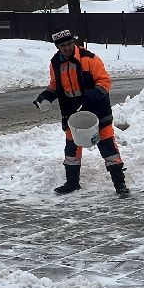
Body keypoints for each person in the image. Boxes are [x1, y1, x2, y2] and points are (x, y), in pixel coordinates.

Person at [34, 29, 130, 197]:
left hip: (98, 112)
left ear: (73, 42)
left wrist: (90, 97)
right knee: (71, 150)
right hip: (73, 115)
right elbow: (55, 86)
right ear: (57, 47)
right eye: (62, 46)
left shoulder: (89, 59)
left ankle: (120, 184)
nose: (67, 48)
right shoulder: (55, 63)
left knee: (109, 148)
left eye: (69, 44)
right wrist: (44, 98)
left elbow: (105, 82)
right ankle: (72, 183)